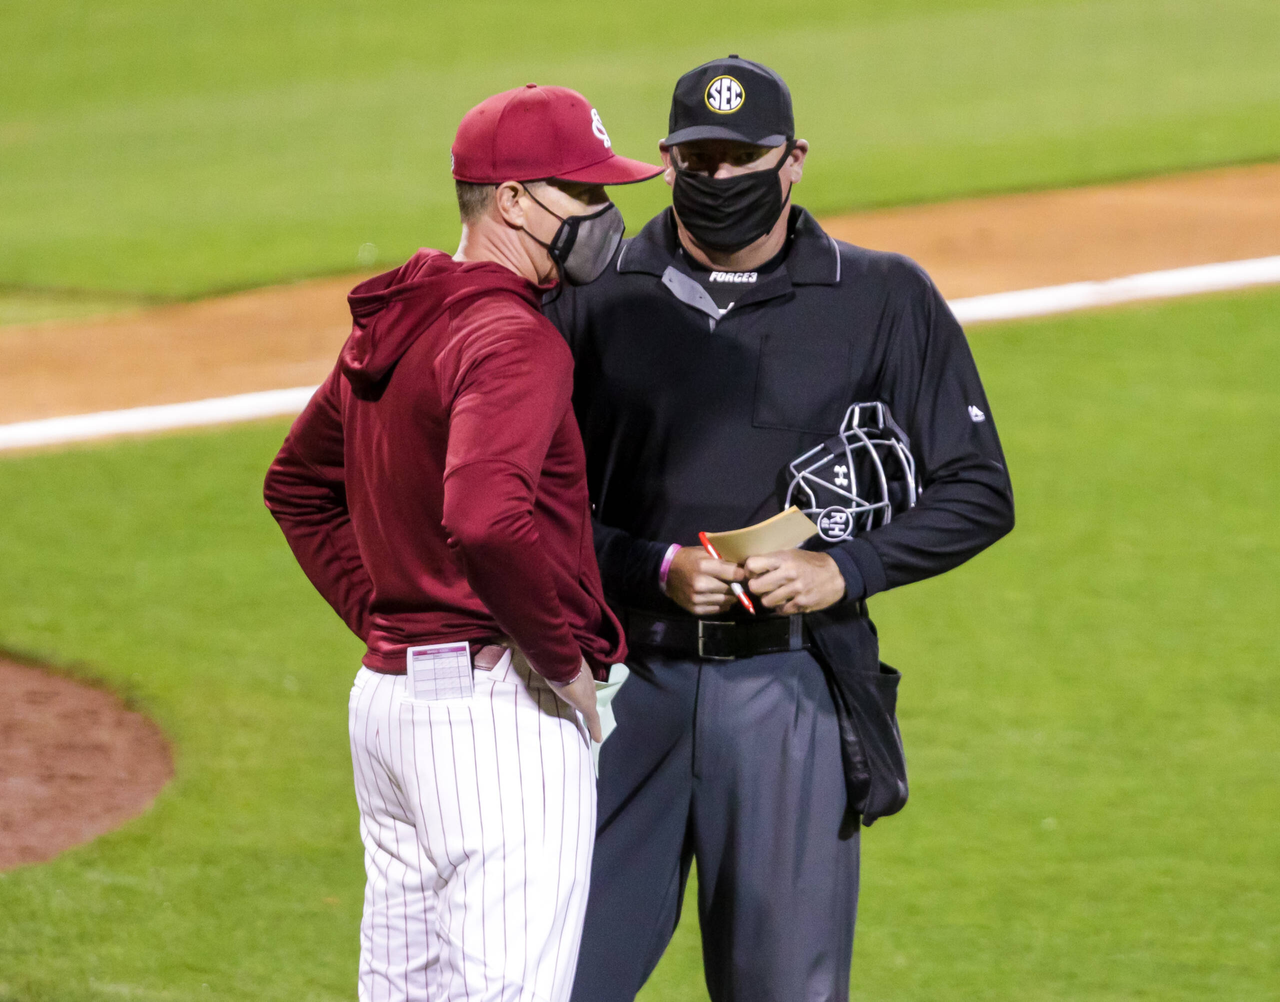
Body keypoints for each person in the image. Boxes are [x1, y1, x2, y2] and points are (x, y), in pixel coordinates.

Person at [544, 56, 1015, 1002]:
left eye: (742, 158)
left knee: (783, 991)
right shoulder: (594, 297)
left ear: (792, 160)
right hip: (617, 686)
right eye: (698, 159)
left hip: (790, 688)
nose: (719, 180)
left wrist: (850, 569)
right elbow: (526, 513)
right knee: (553, 977)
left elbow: (978, 488)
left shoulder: (881, 297)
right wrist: (652, 565)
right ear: (669, 162)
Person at [263, 83, 661, 1002]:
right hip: (498, 718)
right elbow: (485, 515)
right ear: (513, 200)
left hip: (391, 709)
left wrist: (393, 620)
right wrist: (560, 660)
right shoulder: (510, 338)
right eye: (586, 195)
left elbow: (296, 486)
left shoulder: (401, 320)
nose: (606, 217)